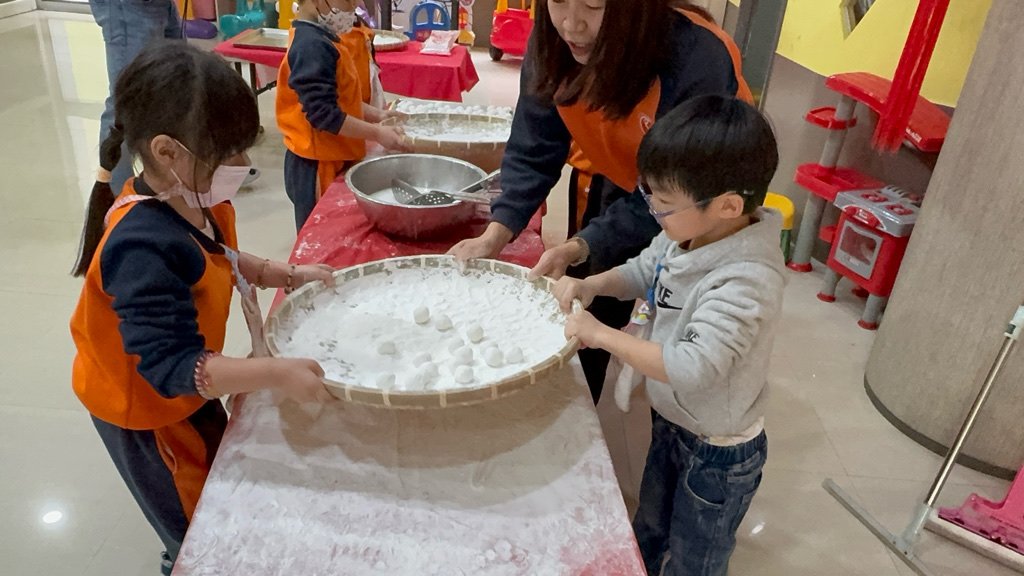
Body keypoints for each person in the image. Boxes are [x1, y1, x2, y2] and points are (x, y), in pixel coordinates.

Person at [70, 42, 336, 576]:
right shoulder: (141, 247)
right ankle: (183, 559)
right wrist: (275, 372)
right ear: (168, 152)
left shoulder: (192, 197)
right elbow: (174, 368)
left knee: (215, 467)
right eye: (227, 154)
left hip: (186, 384)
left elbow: (217, 253)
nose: (242, 166)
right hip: (147, 408)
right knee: (196, 520)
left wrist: (281, 273)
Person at [448, 0, 751, 402]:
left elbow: (677, 197)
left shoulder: (696, 59)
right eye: (558, 1)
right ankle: (579, 398)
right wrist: (497, 233)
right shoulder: (552, 43)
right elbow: (534, 148)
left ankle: (675, 411)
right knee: (589, 293)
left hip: (698, 198)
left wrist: (588, 243)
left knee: (680, 321)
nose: (572, 25)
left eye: (593, 5)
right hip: (619, 173)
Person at [552, 95, 783, 576]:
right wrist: (592, 284)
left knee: (696, 555)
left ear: (728, 205)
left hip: (717, 451)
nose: (654, 211)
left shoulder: (746, 281)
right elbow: (644, 270)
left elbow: (691, 367)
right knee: (651, 525)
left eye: (665, 206)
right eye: (650, 196)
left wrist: (600, 334)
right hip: (674, 420)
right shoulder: (689, 234)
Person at [277, 0, 406, 231]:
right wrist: (377, 133)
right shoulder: (311, 46)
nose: (354, 7)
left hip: (333, 155)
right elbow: (324, 115)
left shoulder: (325, 38)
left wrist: (378, 115)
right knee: (321, 233)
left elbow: (341, 100)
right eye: (348, 0)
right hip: (316, 164)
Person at [88, 0, 183, 198]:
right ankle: (120, 197)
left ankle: (172, 182)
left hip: (160, 5)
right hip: (130, 6)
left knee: (175, 84)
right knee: (126, 101)